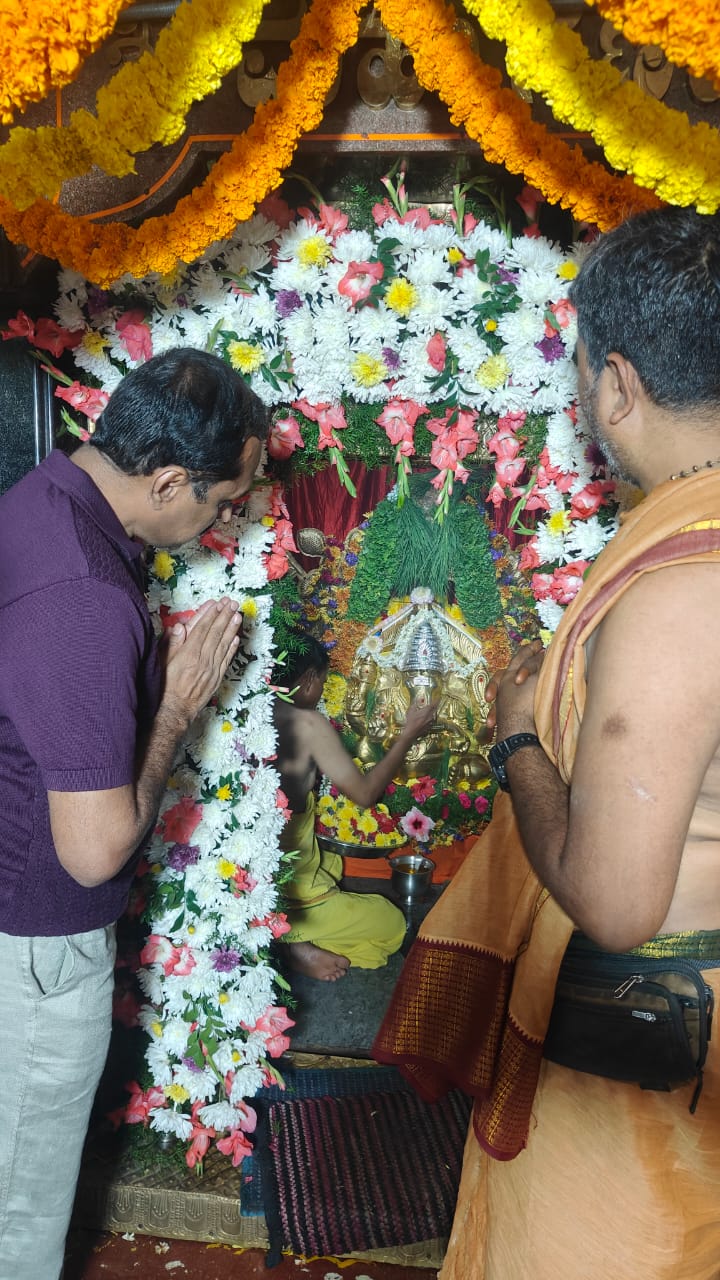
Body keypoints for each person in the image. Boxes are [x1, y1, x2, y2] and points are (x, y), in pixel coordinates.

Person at [373, 207, 720, 1279]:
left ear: (616, 382)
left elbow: (616, 900)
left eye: (577, 367)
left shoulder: (682, 588)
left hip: (651, 1076)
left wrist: (519, 735)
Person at [0, 347, 268, 1280]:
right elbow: (96, 849)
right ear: (166, 481)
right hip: (35, 949)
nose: (224, 520)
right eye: (223, 502)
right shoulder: (81, 594)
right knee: (19, 1218)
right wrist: (179, 705)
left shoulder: (43, 498)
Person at [273, 636, 437, 981]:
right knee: (391, 924)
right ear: (309, 679)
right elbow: (364, 794)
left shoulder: (242, 712)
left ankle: (285, 936)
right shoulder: (306, 724)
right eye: (323, 682)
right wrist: (408, 734)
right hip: (286, 887)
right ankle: (290, 945)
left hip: (249, 876)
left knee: (331, 864)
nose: (321, 692)